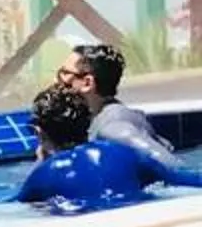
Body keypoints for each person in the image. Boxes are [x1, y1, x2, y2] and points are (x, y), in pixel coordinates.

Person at [15, 72, 202, 211]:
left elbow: (12, 209)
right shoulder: (125, 154)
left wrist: (40, 163)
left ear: (38, 132)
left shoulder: (44, 174)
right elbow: (184, 179)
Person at [77, 40, 177, 167]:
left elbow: (173, 166)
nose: (57, 80)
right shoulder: (100, 114)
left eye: (64, 73)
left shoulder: (113, 127)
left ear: (87, 83)